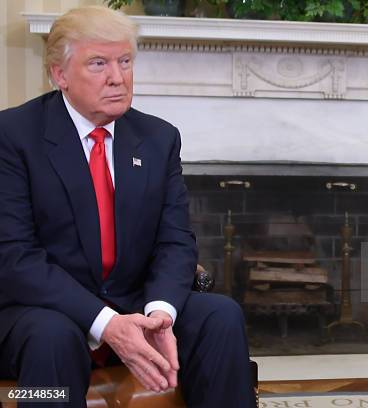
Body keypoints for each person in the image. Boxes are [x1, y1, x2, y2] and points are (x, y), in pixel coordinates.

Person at [0, 6, 254, 407]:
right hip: (41, 310)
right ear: (59, 74)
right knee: (52, 336)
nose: (117, 77)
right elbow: (13, 257)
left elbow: (175, 242)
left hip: (136, 305)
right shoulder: (13, 135)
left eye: (125, 62)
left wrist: (160, 314)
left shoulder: (158, 138)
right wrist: (106, 323)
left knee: (219, 316)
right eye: (98, 63)